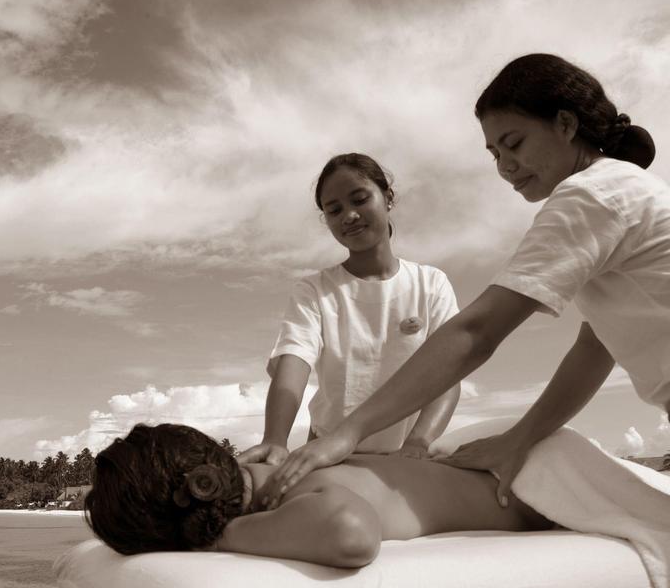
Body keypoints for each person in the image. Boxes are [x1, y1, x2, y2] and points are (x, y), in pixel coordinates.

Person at [255, 53, 669, 510]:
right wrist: (519, 438)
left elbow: (477, 332)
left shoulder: (591, 195)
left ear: (566, 124)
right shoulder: (619, 188)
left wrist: (351, 433)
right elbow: (597, 346)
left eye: (514, 143)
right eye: (495, 154)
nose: (505, 166)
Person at [238, 153, 461, 467]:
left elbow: (449, 374)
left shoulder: (431, 284)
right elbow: (294, 361)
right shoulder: (314, 290)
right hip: (327, 458)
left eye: (360, 199)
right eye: (335, 210)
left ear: (388, 198)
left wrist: (418, 443)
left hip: (405, 458)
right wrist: (275, 439)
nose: (349, 216)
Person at [84, 423, 552, 567]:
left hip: (536, 494)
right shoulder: (292, 471)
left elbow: (352, 536)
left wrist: (219, 539)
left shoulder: (305, 487)